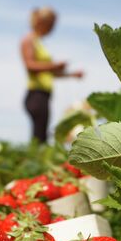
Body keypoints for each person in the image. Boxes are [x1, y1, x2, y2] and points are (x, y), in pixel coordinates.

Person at [21, 7, 84, 143]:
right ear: (40, 22)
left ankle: (38, 160)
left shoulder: (39, 43)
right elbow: (30, 66)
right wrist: (55, 65)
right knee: (39, 137)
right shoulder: (28, 40)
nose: (51, 29)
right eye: (50, 25)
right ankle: (36, 161)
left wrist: (72, 74)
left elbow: (50, 73)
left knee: (41, 134)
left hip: (43, 95)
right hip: (36, 95)